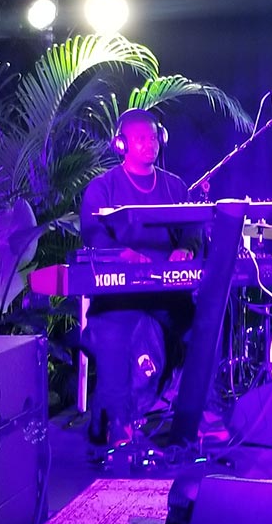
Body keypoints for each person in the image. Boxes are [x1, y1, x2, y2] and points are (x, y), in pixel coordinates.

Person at [79, 109, 197, 451]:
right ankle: (118, 421)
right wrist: (125, 255)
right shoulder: (103, 187)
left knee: (203, 325)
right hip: (119, 294)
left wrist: (186, 251)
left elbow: (193, 228)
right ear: (122, 144)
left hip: (168, 291)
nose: (150, 144)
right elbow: (91, 234)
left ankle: (196, 413)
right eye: (141, 138)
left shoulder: (175, 185)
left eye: (154, 136)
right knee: (113, 333)